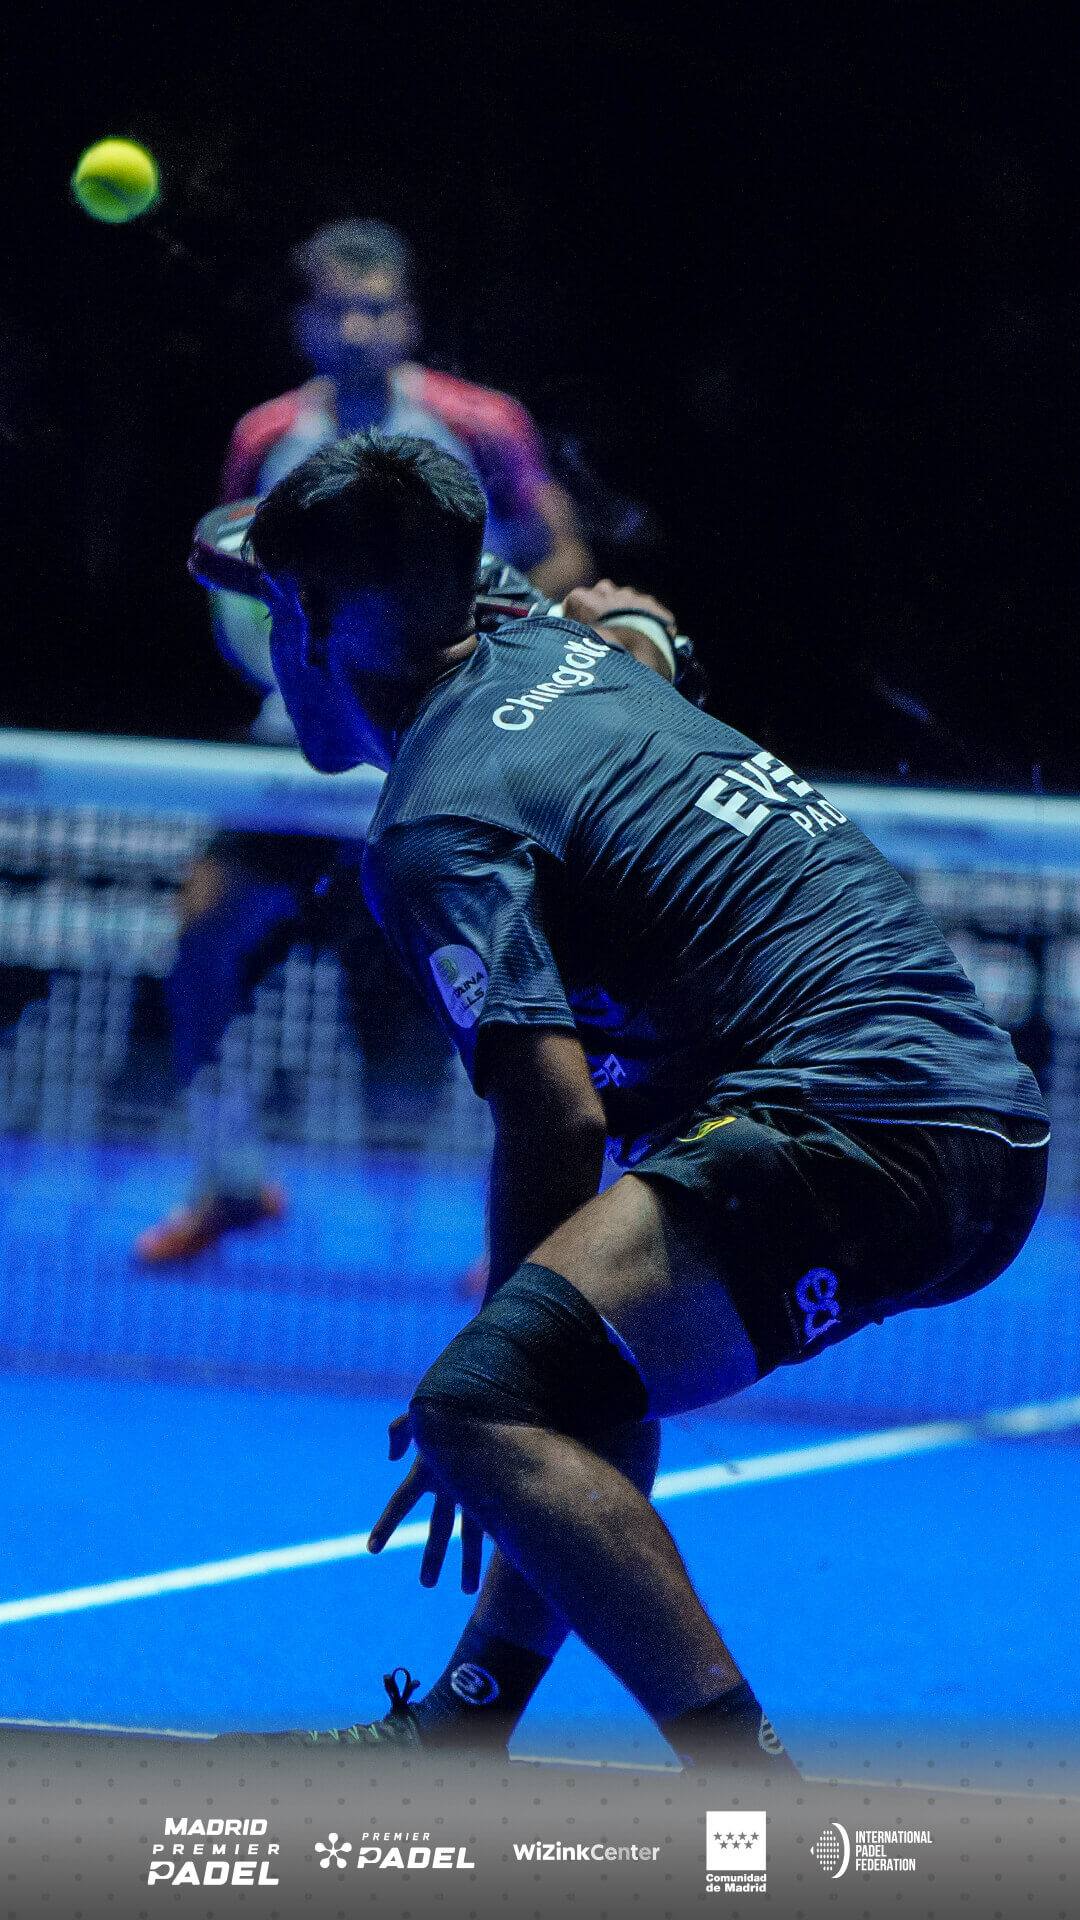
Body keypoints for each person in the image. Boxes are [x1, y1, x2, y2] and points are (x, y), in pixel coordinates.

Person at [220, 431, 1048, 1771]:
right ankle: (462, 1732)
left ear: (310, 621)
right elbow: (639, 639)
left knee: (488, 1404)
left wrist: (506, 1377)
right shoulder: (563, 649)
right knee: (568, 1374)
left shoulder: (434, 830)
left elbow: (557, 1118)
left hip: (848, 1120)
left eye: (277, 615)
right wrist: (647, 623)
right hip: (975, 1123)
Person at [136, 221, 593, 1264]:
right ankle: (229, 1178)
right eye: (337, 308)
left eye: (377, 308)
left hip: (449, 743)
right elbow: (238, 583)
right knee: (204, 933)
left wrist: (475, 633)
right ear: (304, 321)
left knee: (512, 981)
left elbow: (563, 550)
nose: (357, 328)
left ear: (410, 319)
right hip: (307, 744)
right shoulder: (264, 435)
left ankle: (541, 1220)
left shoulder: (481, 424)